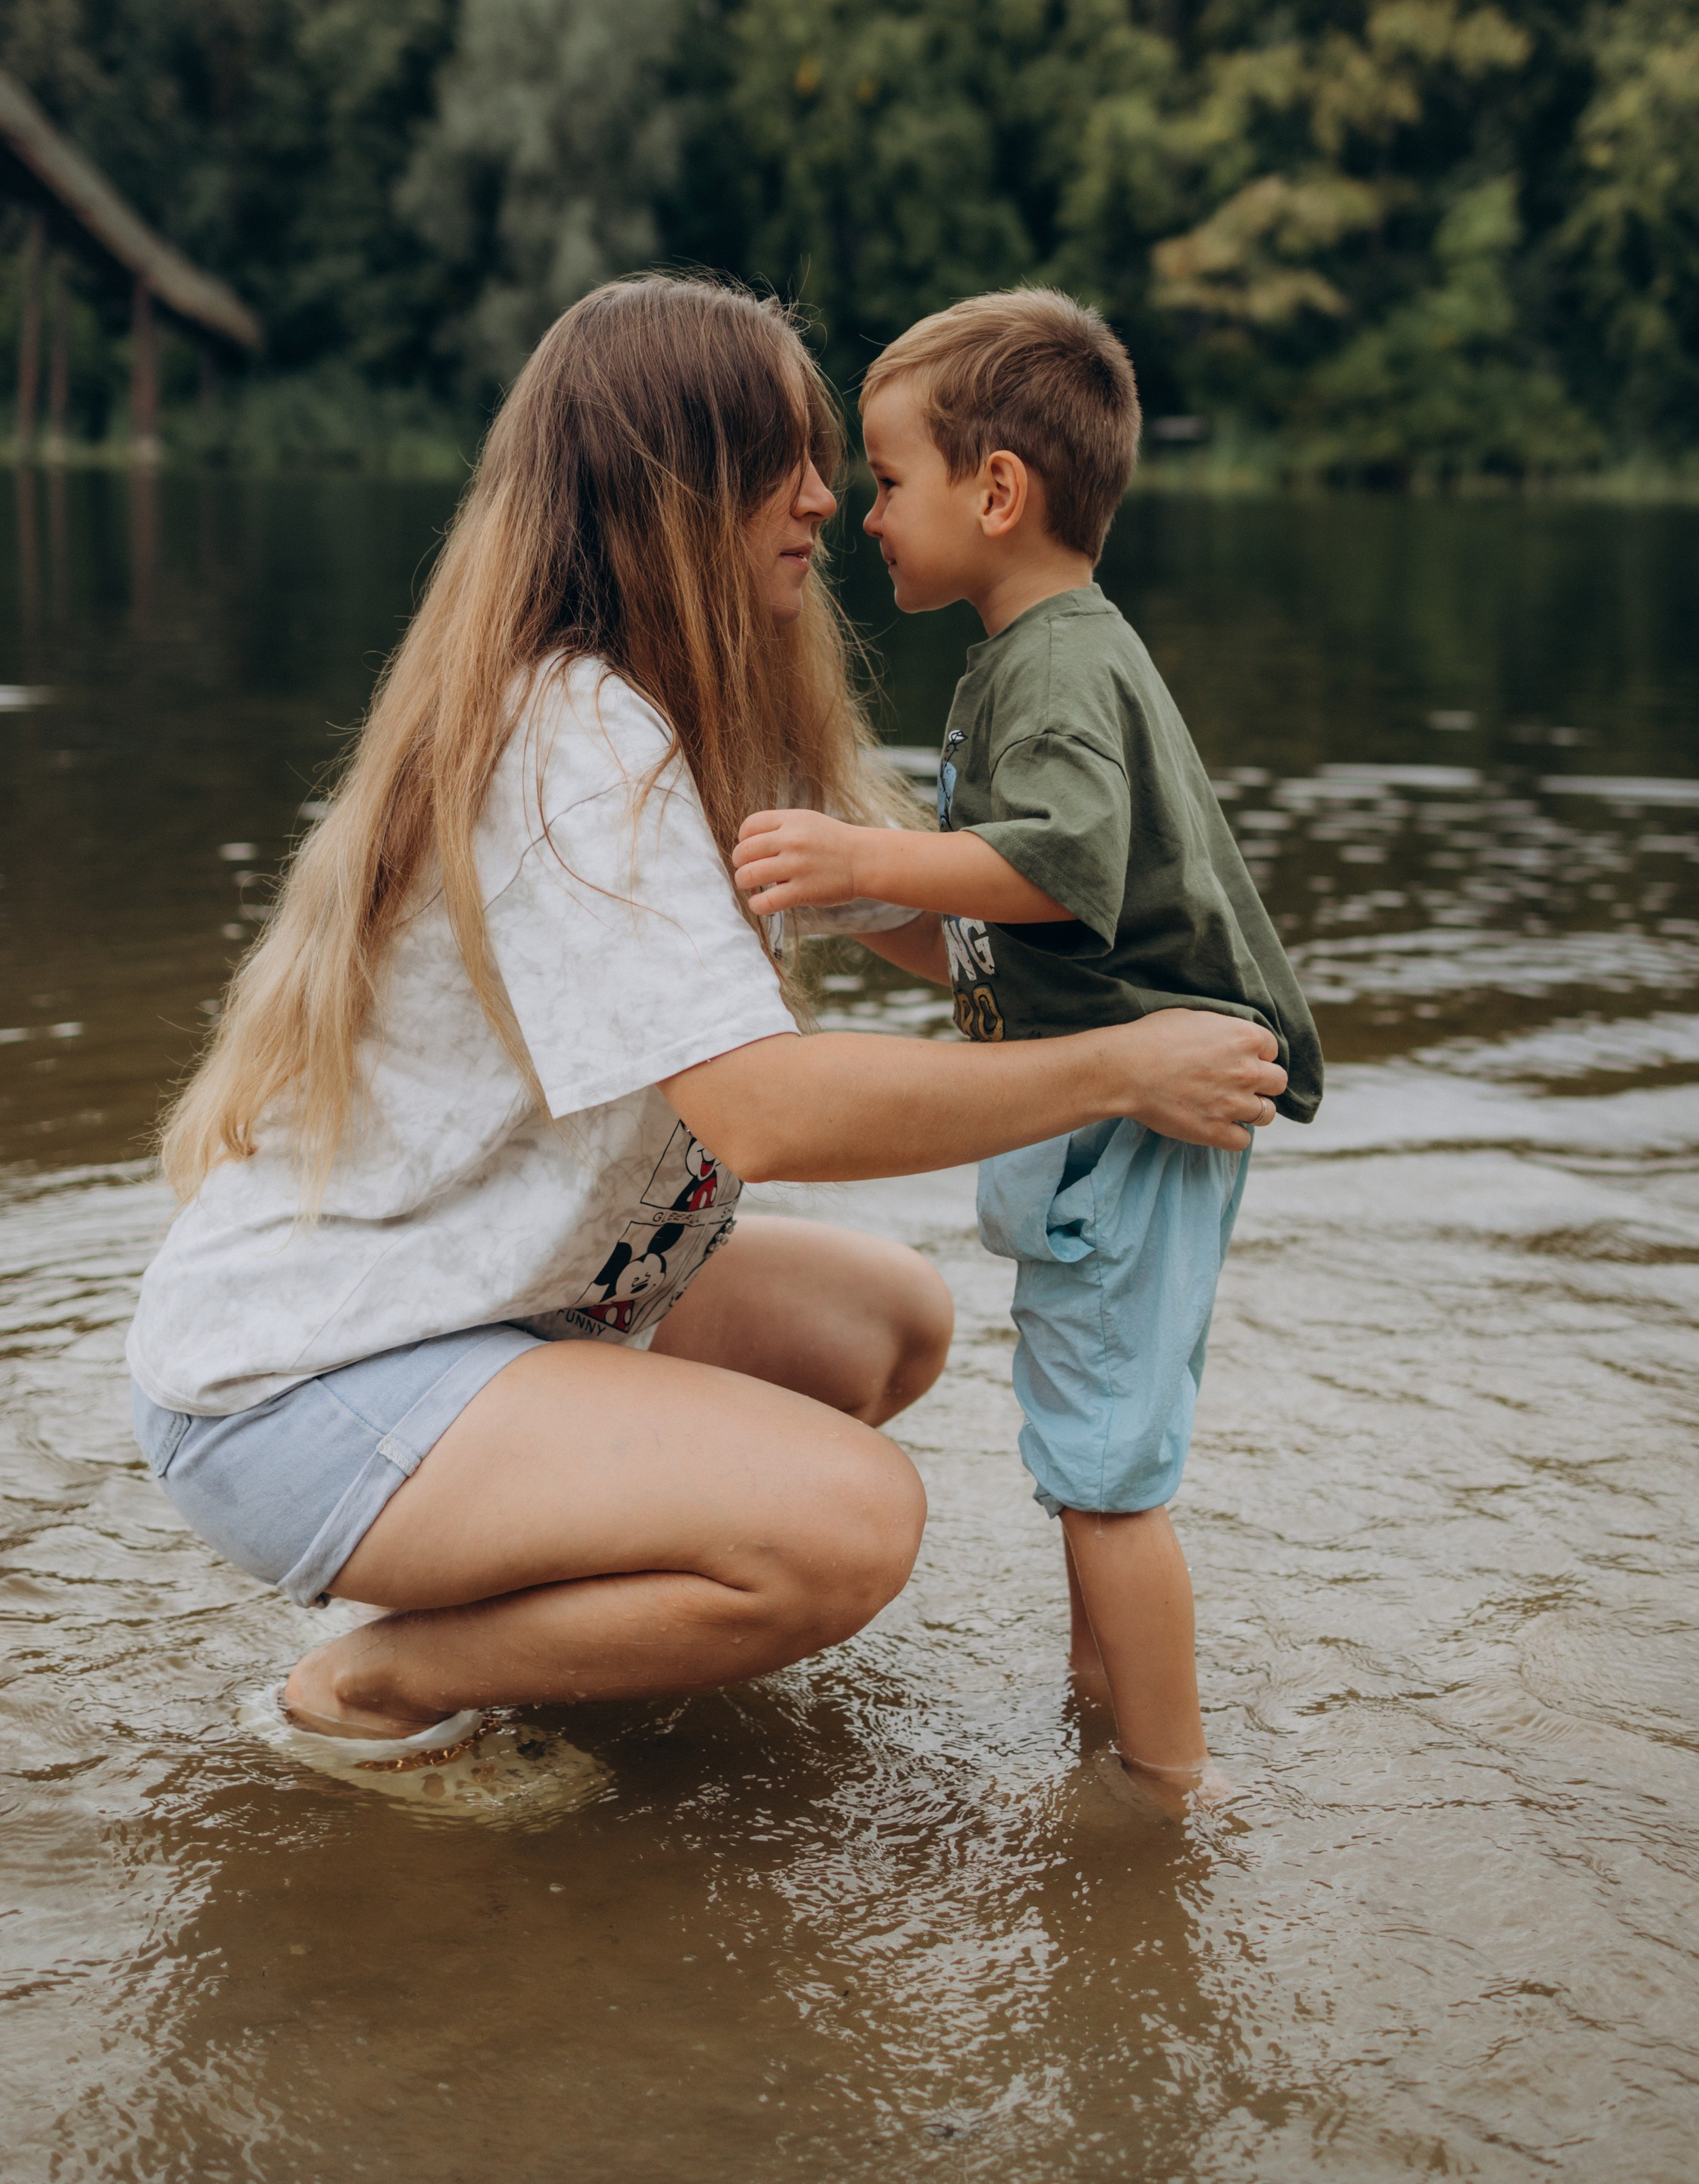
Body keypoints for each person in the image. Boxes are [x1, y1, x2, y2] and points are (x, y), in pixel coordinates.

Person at [128, 275, 1288, 1782]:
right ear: (668, 491)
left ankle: (539, 1603)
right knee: (849, 1525)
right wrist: (1118, 1070)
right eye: (785, 458)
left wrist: (1151, 936)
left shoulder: (683, 726)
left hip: (497, 1305)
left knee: (885, 1326)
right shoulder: (571, 742)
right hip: (309, 1381)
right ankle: (379, 1680)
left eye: (836, 461)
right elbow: (767, 1113)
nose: (824, 499)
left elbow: (959, 945)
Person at [733, 287, 1322, 1808]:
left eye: (884, 478)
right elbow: (1023, 933)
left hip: (1136, 1122)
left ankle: (1158, 1795)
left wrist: (851, 850)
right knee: (1091, 1457)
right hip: (1116, 1108)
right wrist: (875, 913)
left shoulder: (1053, 662)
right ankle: (1098, 1711)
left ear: (996, 492)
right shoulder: (1036, 654)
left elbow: (1059, 859)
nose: (862, 515)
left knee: (1108, 1482)